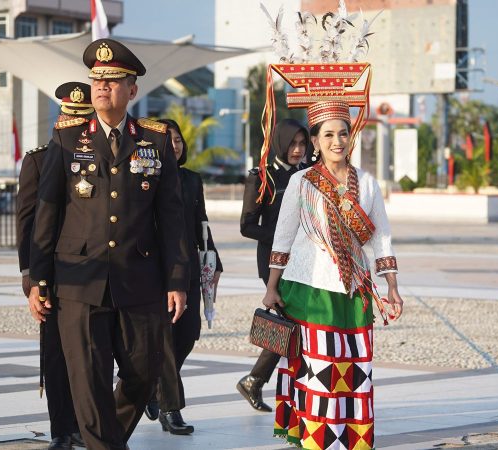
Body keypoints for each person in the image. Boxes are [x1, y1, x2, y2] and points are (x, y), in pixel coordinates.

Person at [28, 39, 189, 450]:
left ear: (132, 90)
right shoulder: (66, 142)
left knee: (144, 372)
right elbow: (47, 218)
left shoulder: (154, 141)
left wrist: (177, 280)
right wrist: (36, 281)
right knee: (87, 378)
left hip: (139, 279)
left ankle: (102, 438)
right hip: (78, 281)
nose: (103, 87)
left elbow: (171, 219)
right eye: (97, 79)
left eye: (114, 80)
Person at [263, 101, 403, 449]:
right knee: (318, 369)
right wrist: (271, 288)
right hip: (310, 288)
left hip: (354, 288)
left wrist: (393, 288)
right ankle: (316, 440)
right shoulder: (302, 182)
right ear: (315, 141)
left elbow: (382, 236)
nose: (337, 141)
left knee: (355, 369)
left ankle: (353, 439)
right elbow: (283, 236)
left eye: (343, 133)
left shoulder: (368, 184)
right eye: (328, 135)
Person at [17, 81, 93, 450]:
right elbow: (27, 222)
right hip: (51, 272)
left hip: (92, 272)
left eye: (83, 119)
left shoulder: (101, 160)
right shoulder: (38, 159)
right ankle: (62, 428)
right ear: (58, 118)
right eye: (69, 118)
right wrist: (30, 277)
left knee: (93, 353)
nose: (75, 126)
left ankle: (86, 424)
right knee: (57, 353)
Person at [143, 118, 222, 435]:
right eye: (168, 139)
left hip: (187, 266)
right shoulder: (146, 178)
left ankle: (149, 386)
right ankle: (170, 407)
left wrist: (215, 262)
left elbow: (201, 222)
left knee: (187, 334)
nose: (174, 145)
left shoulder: (191, 180)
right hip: (153, 271)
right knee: (163, 339)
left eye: (177, 140)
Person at [236, 118, 307, 412]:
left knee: (295, 322)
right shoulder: (262, 177)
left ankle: (257, 380)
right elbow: (247, 226)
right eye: (292, 143)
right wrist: (282, 238)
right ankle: (256, 379)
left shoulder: (310, 174)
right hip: (272, 260)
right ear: (280, 142)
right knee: (290, 320)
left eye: (303, 144)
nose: (298, 149)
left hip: (305, 259)